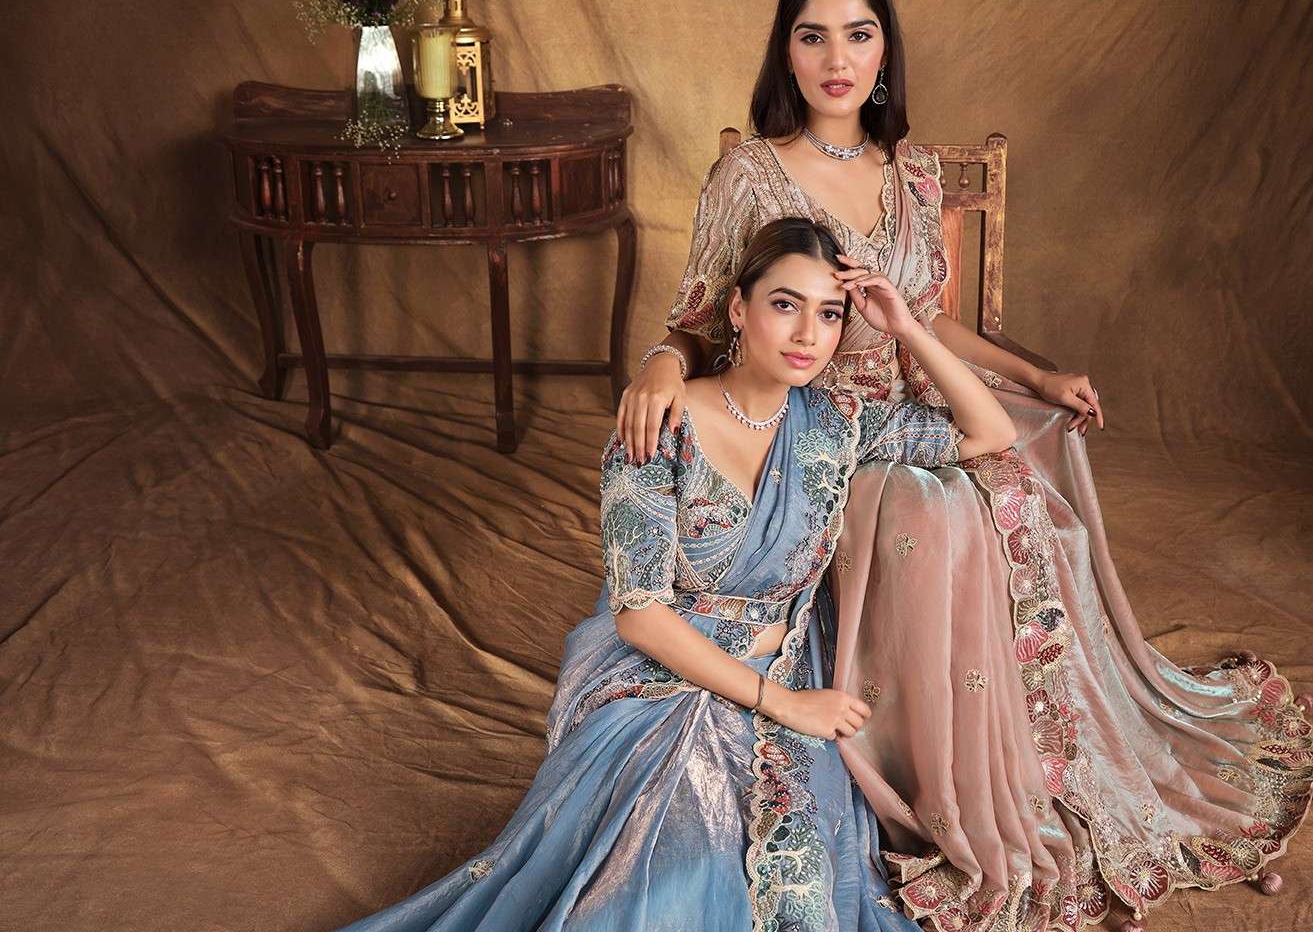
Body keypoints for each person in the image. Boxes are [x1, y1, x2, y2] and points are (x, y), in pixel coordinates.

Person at [617, 0, 1312, 931]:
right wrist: (658, 361)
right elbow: (700, 317)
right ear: (785, 51)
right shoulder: (747, 174)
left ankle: (1036, 761)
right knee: (929, 513)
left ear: (883, 52)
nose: (836, 60)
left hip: (916, 399)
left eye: (858, 35)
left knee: (1027, 462)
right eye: (812, 36)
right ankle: (938, 784)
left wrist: (1035, 375)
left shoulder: (912, 173)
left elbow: (930, 318)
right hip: (815, 430)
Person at [335, 217, 1014, 932]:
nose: (807, 334)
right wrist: (783, 705)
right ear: (737, 309)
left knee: (787, 884)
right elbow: (639, 615)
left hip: (790, 664)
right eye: (785, 304)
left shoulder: (838, 423)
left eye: (829, 313)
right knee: (672, 856)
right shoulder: (662, 421)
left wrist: (906, 328)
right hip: (663, 672)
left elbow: (989, 431)